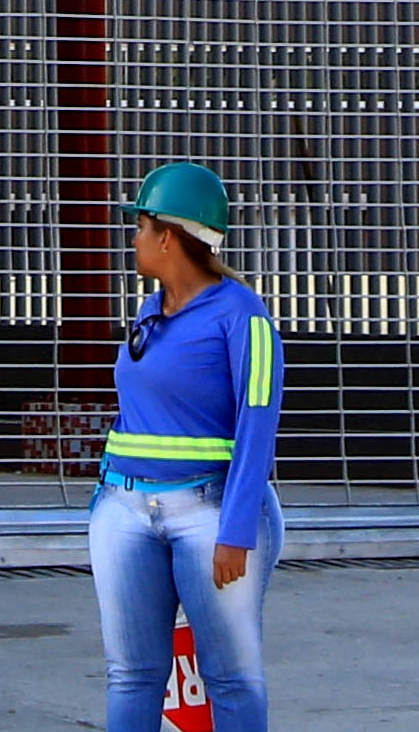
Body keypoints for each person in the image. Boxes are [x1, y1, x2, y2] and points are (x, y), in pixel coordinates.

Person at [95, 159, 282, 732]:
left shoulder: (242, 315)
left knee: (232, 678)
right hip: (127, 510)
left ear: (169, 237)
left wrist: (235, 532)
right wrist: (105, 496)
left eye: (141, 226)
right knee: (130, 675)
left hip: (210, 513)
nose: (133, 238)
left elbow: (258, 423)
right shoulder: (151, 312)